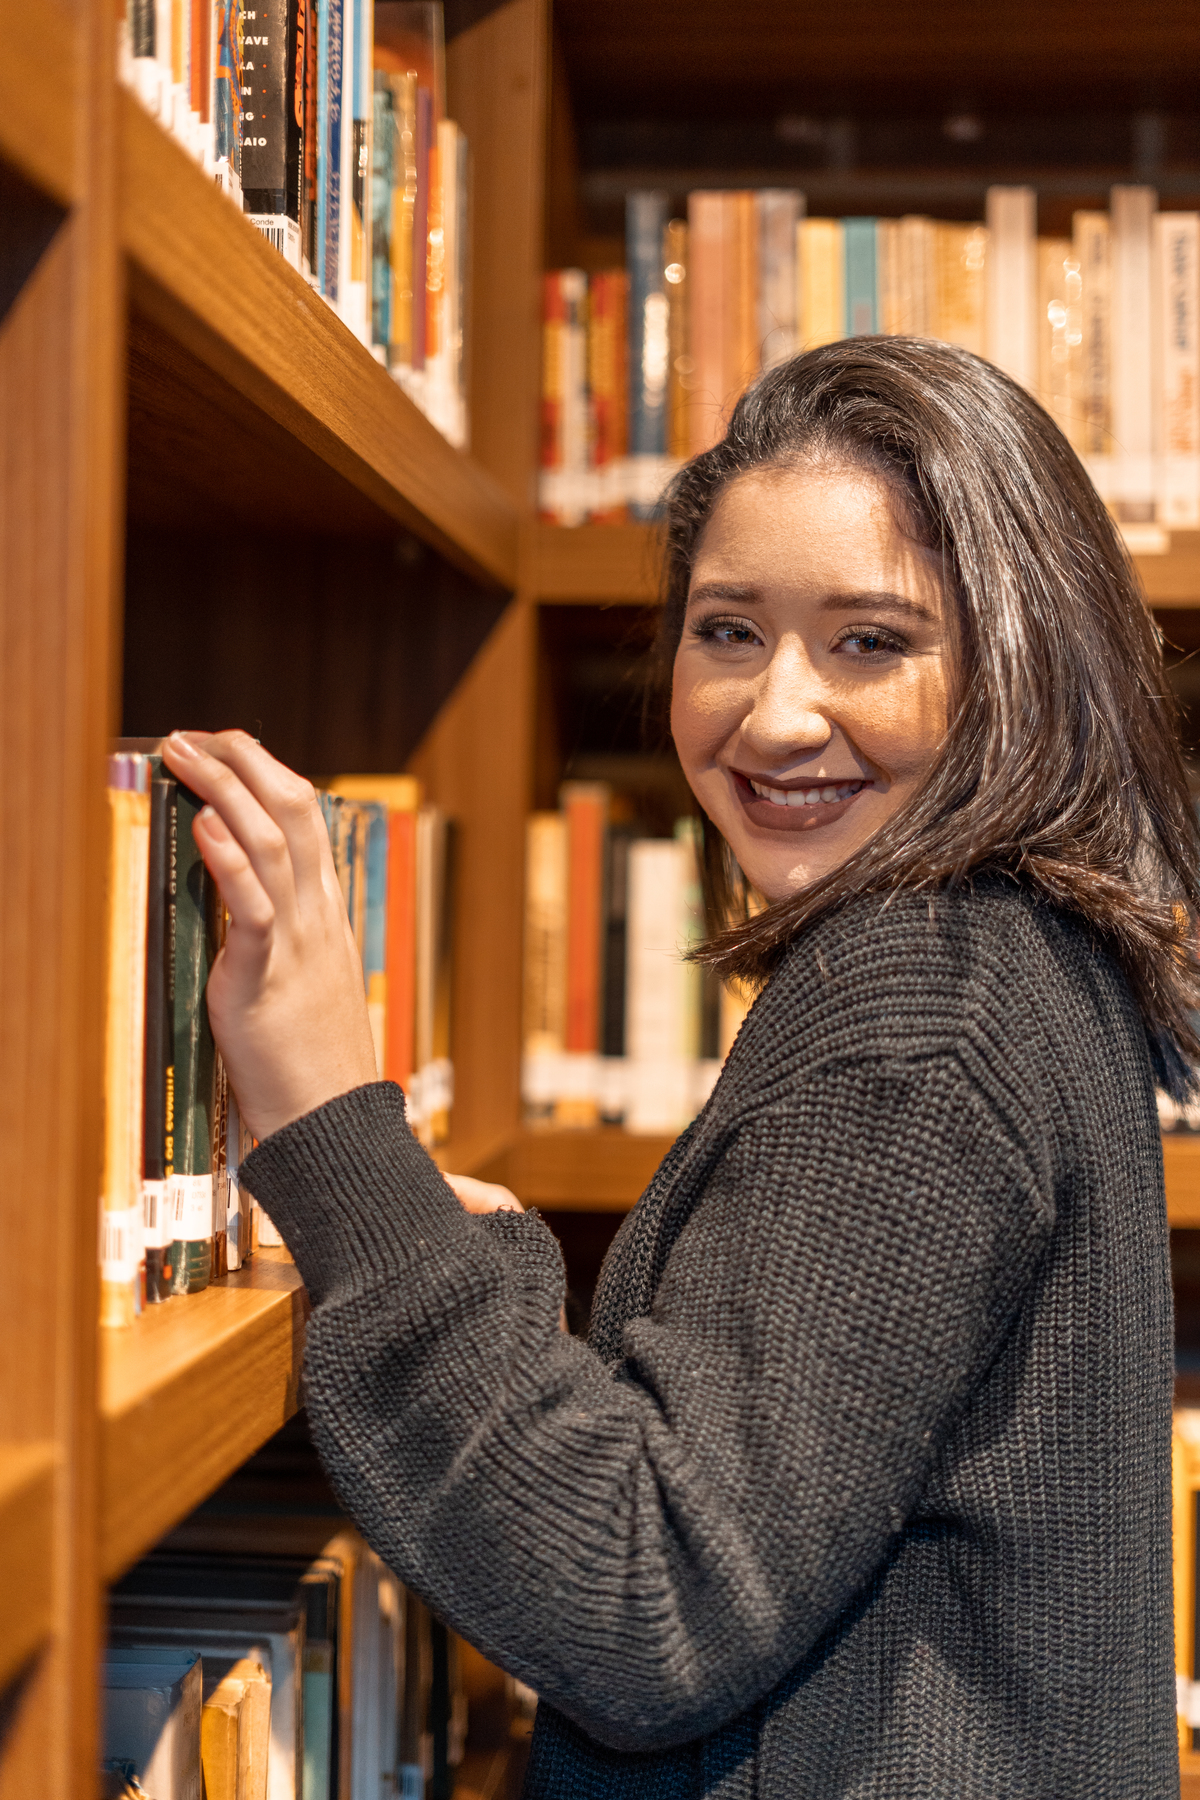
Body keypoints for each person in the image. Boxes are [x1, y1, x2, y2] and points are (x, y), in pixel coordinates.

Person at [162, 337, 1198, 1798]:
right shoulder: (1016, 947)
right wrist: (464, 1275)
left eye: (871, 641)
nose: (773, 715)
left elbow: (642, 1604)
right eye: (727, 631)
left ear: (1017, 667)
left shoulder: (924, 1001)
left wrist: (330, 1113)